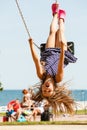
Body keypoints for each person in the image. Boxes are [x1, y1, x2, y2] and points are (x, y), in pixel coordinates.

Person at [28, 2, 77, 115]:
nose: (46, 89)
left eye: (44, 91)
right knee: (60, 31)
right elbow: (60, 63)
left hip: (48, 52)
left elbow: (36, 61)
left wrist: (31, 45)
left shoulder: (41, 75)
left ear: (41, 87)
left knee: (52, 31)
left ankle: (55, 13)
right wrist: (63, 47)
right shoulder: (58, 78)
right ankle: (61, 19)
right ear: (54, 88)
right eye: (49, 91)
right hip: (61, 54)